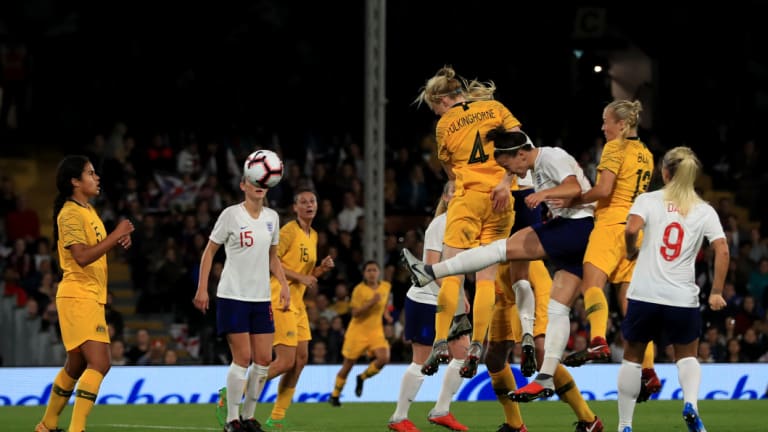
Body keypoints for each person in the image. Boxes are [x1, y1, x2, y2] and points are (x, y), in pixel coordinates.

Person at [402, 127, 596, 402]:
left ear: (520, 154)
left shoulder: (550, 157)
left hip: (574, 227)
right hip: (576, 230)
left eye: (509, 166)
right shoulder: (538, 165)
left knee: (496, 249)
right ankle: (545, 377)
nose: (513, 173)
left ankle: (431, 271)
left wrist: (543, 196)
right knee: (558, 308)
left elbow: (574, 187)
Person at [414, 65, 525, 379]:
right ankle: (478, 342)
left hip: (468, 200)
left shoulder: (445, 124)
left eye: (436, 109)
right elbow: (520, 143)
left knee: (452, 274)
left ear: (444, 101)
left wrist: (454, 183)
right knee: (486, 278)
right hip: (502, 201)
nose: (437, 114)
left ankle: (439, 341)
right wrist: (505, 181)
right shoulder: (494, 107)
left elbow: (450, 173)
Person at [616, 146, 728, 432]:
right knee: (687, 356)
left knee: (632, 357)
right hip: (681, 297)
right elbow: (722, 248)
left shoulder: (648, 200)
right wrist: (716, 291)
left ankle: (625, 425)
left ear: (665, 172)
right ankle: (690, 404)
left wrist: (631, 250)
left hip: (645, 294)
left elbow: (630, 229)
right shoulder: (704, 210)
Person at [559, 100, 661, 401]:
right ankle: (650, 370)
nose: (603, 127)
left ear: (621, 124)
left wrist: (574, 201)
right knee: (631, 304)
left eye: (606, 121)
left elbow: (603, 191)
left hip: (611, 225)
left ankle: (598, 340)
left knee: (592, 284)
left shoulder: (616, 148)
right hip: (637, 230)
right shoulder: (646, 154)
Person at [35, 155, 135, 432]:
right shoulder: (69, 214)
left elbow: (95, 249)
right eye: (91, 173)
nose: (97, 177)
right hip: (78, 295)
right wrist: (116, 235)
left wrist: (115, 239)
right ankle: (76, 429)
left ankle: (47, 424)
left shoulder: (88, 211)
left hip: (88, 296)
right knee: (100, 362)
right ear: (75, 181)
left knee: (76, 365)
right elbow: (81, 257)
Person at [193, 170, 291, 432]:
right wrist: (202, 288)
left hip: (261, 298)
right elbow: (210, 251)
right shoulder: (231, 214)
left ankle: (249, 417)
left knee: (263, 360)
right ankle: (231, 419)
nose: (259, 186)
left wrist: (283, 285)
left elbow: (273, 258)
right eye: (253, 182)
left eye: (262, 182)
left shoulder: (273, 218)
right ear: (243, 186)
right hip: (233, 295)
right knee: (243, 358)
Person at [388, 182, 471, 432]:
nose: (459, 194)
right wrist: (457, 295)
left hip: (449, 299)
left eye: (463, 190)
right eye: (454, 190)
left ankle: (441, 410)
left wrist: (461, 293)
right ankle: (399, 417)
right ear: (445, 197)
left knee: (463, 355)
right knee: (422, 361)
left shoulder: (468, 223)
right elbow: (432, 268)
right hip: (426, 300)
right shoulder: (440, 224)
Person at [263, 189, 335, 428]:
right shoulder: (288, 231)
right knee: (284, 362)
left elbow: (306, 277)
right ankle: (234, 391)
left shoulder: (313, 235)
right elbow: (271, 262)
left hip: (298, 303)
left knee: (300, 360)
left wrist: (320, 270)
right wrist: (300, 278)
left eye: (312, 201)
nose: (308, 205)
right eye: (303, 202)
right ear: (295, 208)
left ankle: (277, 418)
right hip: (280, 299)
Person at [329, 260, 391, 407]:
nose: (371, 273)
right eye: (368, 270)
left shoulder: (386, 287)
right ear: (364, 273)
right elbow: (355, 313)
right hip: (357, 331)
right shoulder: (359, 290)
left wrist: (386, 314)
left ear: (379, 272)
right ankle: (335, 395)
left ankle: (362, 378)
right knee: (348, 365)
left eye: (374, 270)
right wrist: (370, 303)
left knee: (383, 358)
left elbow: (384, 304)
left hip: (376, 330)